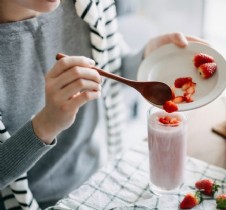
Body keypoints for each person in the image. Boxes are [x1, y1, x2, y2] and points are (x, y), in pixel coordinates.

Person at [0, 0, 206, 209]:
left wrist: (145, 57)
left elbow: (110, 66)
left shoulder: (89, 4)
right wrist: (46, 125)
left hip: (99, 174)